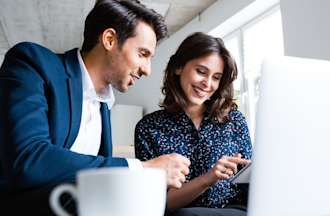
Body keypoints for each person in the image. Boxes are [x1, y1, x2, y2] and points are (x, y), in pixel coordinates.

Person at [0, 0, 191, 214]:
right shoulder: (32, 62)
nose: (147, 70)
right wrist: (142, 168)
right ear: (109, 39)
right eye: (143, 54)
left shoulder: (104, 105)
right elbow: (29, 158)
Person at [135, 32, 252, 216]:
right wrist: (209, 178)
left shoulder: (234, 119)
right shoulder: (149, 127)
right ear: (178, 67)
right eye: (201, 72)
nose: (207, 83)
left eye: (216, 77)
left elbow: (250, 183)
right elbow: (159, 203)